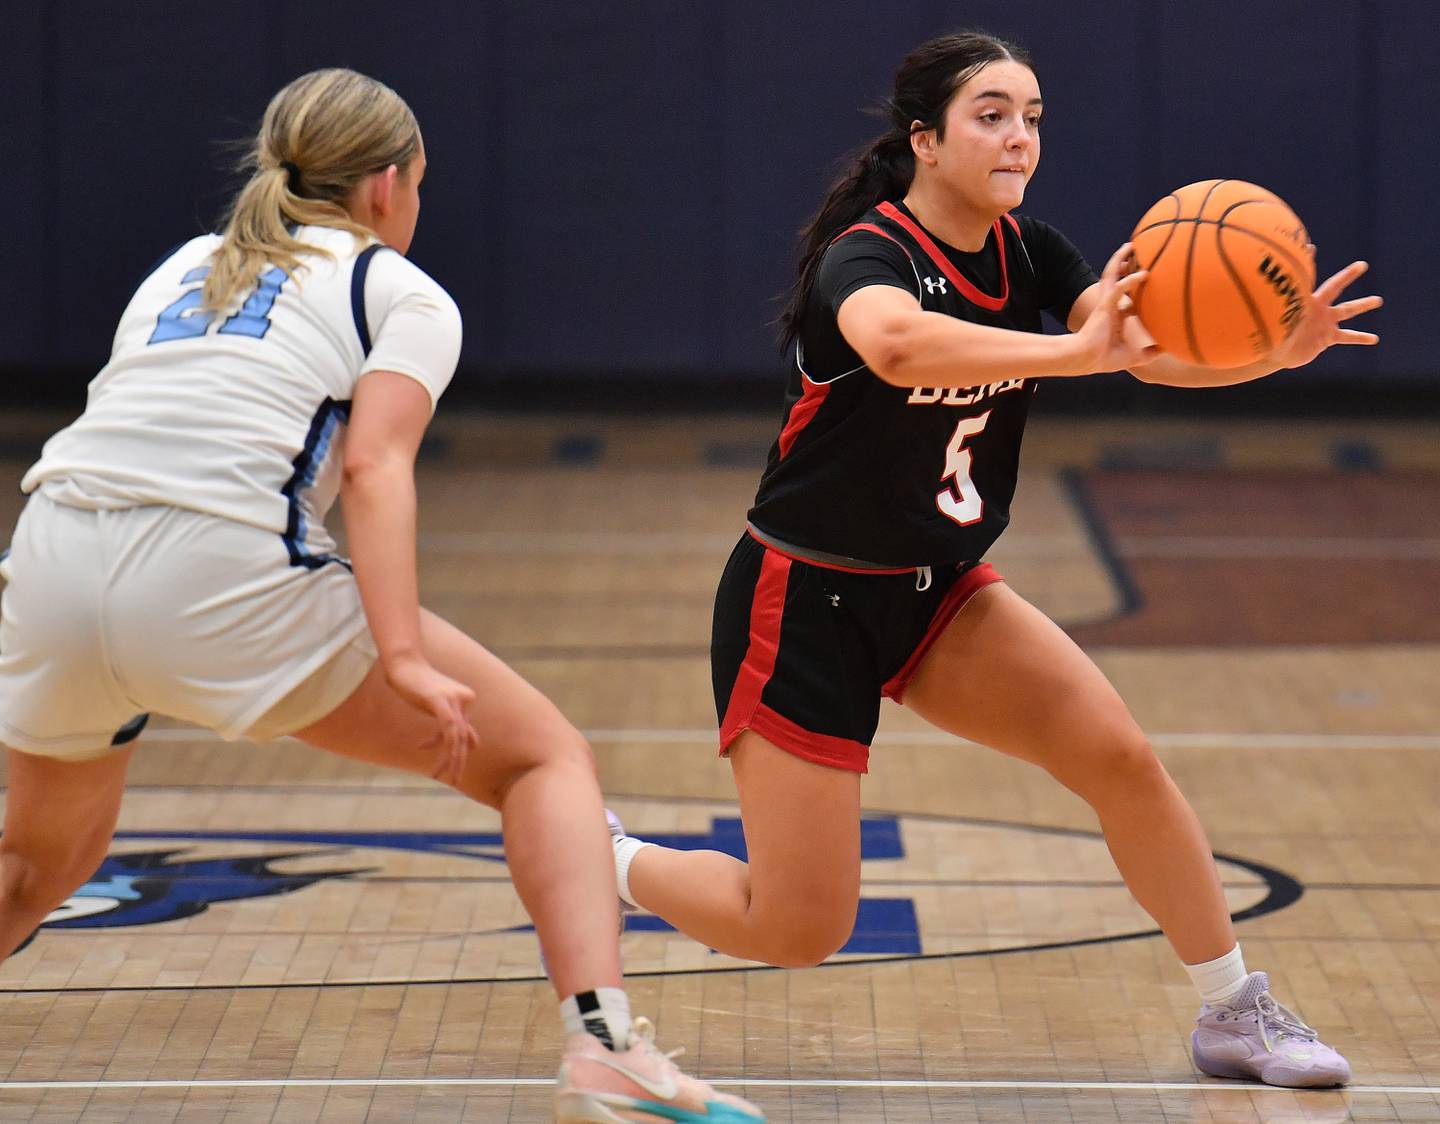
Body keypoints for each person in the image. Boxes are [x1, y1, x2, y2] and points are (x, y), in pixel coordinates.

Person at [607, 31, 1380, 1089]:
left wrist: (1260, 350)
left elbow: (1144, 357)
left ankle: (1234, 1009)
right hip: (807, 597)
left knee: (1120, 756)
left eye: (1034, 116)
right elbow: (899, 345)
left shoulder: (1031, 251)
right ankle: (599, 857)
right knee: (797, 924)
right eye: (992, 114)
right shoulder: (866, 257)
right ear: (923, 139)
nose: (1020, 136)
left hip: (940, 592)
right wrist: (1073, 352)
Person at [0, 68, 764, 1124]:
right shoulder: (398, 291)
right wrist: (401, 652)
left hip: (47, 558)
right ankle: (605, 1049)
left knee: (31, 869)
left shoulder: (181, 267)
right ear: (391, 185)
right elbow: (375, 468)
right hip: (217, 570)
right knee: (544, 757)